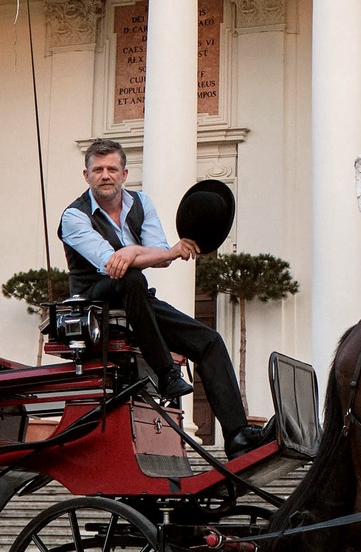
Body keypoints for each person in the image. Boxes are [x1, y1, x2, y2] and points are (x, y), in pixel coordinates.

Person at [58, 138, 272, 459]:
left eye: (112, 169)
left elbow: (159, 253)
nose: (105, 175)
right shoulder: (74, 216)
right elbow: (110, 263)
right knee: (129, 275)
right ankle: (166, 373)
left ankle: (238, 435)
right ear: (86, 175)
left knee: (209, 341)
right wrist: (142, 254)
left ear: (125, 173)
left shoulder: (140, 203)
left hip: (136, 301)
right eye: (98, 169)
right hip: (94, 303)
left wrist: (134, 251)